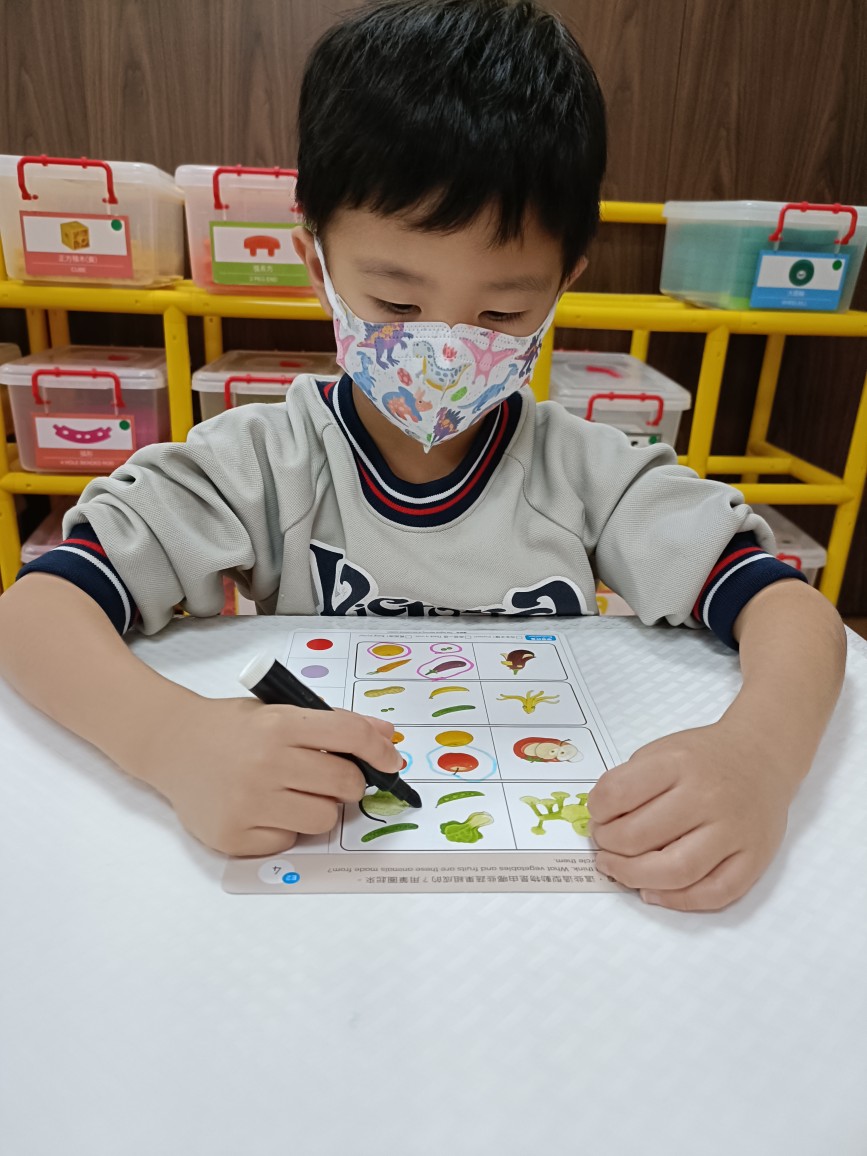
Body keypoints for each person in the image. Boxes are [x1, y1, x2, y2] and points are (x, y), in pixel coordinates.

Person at [0, 0, 845, 911]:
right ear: (317, 264)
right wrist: (170, 739)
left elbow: (789, 611)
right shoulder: (261, 463)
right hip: (333, 870)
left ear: (563, 286)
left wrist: (758, 757)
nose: (443, 349)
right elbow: (35, 612)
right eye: (395, 305)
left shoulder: (588, 474)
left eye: (501, 313)